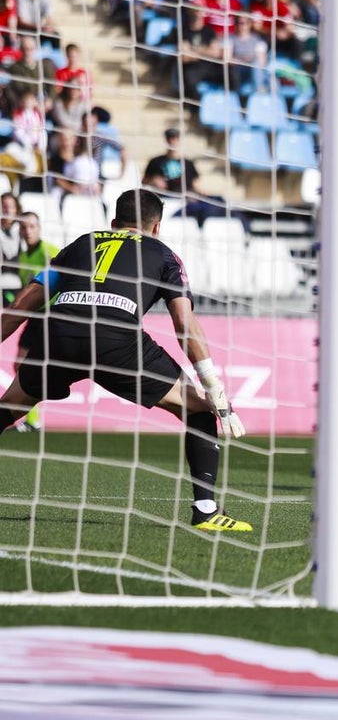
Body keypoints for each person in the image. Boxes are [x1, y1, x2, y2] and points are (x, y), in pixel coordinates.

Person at [0, 190, 251, 530]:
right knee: (197, 407)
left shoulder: (80, 244)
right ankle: (206, 511)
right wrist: (214, 388)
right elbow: (184, 325)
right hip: (115, 339)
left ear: (115, 223)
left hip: (59, 335)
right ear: (157, 227)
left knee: (12, 405)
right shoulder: (164, 254)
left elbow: (20, 307)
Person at [9, 211, 58, 432]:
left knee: (35, 368)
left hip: (52, 316)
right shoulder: (23, 257)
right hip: (35, 317)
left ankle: (32, 417)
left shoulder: (50, 252)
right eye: (24, 227)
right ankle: (33, 419)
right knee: (19, 364)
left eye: (31, 226)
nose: (27, 231)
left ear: (39, 228)